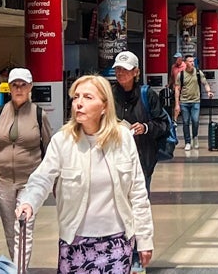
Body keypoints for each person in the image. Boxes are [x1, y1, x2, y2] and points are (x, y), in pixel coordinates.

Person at [14, 75, 153, 274]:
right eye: (76, 97)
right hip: (75, 242)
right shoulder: (62, 141)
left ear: (104, 106)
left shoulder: (123, 139)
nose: (79, 103)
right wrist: (28, 201)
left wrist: (144, 238)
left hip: (117, 242)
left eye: (87, 97)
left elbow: (138, 192)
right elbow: (42, 179)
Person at [0, 67, 51, 258]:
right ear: (8, 88)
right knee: (10, 231)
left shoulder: (39, 115)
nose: (19, 89)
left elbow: (49, 151)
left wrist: (52, 182)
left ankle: (21, 269)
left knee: (24, 227)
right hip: (3, 181)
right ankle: (16, 264)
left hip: (30, 181)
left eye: (23, 85)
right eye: (14, 85)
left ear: (30, 87)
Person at [109, 51, 169, 198]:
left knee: (139, 198)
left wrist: (145, 127)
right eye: (118, 69)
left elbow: (163, 123)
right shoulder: (109, 94)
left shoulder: (147, 94)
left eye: (125, 69)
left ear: (136, 72)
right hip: (114, 157)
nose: (120, 73)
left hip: (141, 157)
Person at [176, 58, 201, 152]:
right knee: (185, 122)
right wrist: (177, 104)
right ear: (185, 63)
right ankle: (187, 142)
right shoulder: (181, 74)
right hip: (184, 102)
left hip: (196, 101)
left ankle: (195, 137)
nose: (192, 63)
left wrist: (209, 91)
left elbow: (204, 82)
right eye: (190, 61)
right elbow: (177, 89)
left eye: (193, 61)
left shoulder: (198, 73)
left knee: (195, 120)